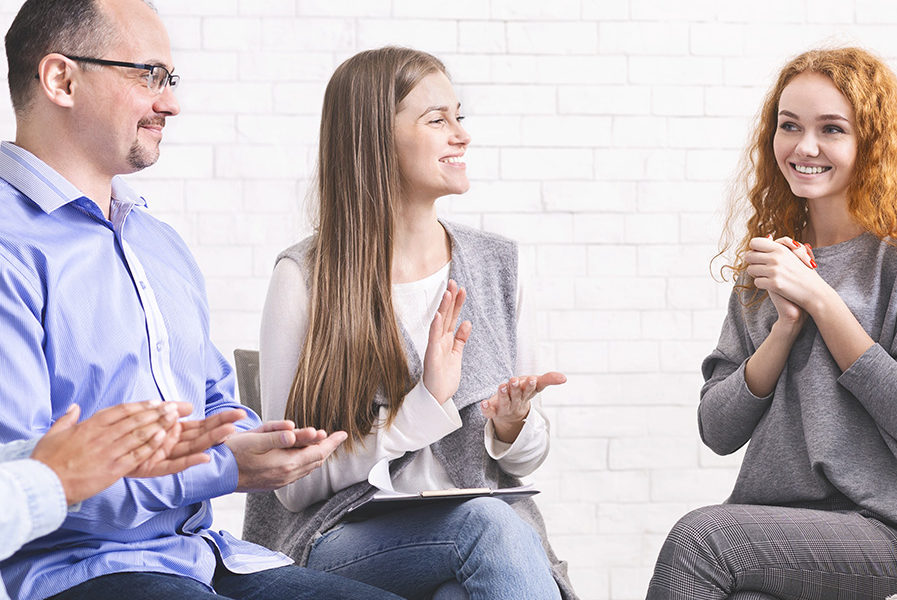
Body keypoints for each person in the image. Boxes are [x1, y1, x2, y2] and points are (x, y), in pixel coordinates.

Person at [0, 1, 410, 599]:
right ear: (62, 78)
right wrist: (226, 467)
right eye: (149, 76)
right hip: (79, 571)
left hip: (204, 555)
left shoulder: (158, 244)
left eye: (169, 80)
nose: (170, 102)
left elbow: (213, 401)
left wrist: (253, 441)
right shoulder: (10, 245)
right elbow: (31, 480)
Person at [643, 47, 897, 600]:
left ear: (869, 143)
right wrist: (783, 328)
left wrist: (822, 299)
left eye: (832, 129)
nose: (805, 147)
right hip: (779, 529)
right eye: (789, 126)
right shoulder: (771, 264)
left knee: (703, 540)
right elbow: (717, 430)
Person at [244, 46, 576, 600]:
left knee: (467, 577)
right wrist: (421, 408)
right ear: (376, 138)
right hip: (341, 537)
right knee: (487, 527)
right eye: (436, 119)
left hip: (484, 548)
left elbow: (526, 459)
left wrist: (513, 428)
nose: (461, 135)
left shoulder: (500, 267)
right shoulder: (304, 277)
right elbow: (291, 483)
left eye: (459, 117)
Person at [1, 399, 240, 600]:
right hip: (69, 566)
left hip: (201, 549)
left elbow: (223, 402)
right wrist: (54, 476)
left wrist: (77, 456)